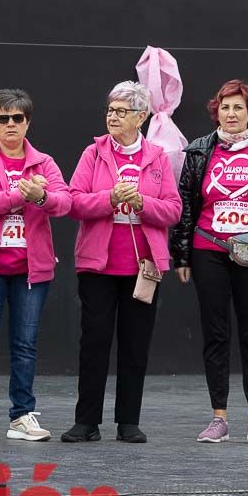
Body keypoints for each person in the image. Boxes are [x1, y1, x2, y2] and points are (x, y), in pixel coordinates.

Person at [171, 79, 248, 446]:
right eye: (225, 107)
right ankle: (218, 418)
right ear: (217, 112)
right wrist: (181, 253)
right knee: (216, 334)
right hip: (208, 249)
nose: (231, 114)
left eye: (238, 107)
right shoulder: (199, 152)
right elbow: (186, 207)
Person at [62, 81, 182, 444]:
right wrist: (110, 198)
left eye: (121, 111)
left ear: (141, 116)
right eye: (110, 110)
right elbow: (73, 201)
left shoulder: (158, 156)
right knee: (94, 342)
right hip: (97, 265)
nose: (113, 117)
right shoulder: (93, 153)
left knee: (135, 344)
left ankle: (128, 421)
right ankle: (86, 422)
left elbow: (174, 210)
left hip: (141, 267)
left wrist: (144, 203)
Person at [0, 89, 71, 442]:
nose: (10, 124)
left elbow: (64, 201)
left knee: (25, 344)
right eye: (3, 118)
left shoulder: (44, 162)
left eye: (17, 118)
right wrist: (20, 195)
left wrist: (41, 196)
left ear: (28, 123)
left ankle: (21, 415)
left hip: (30, 269)